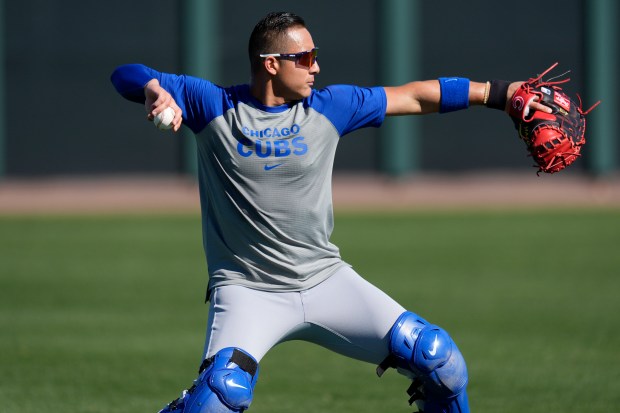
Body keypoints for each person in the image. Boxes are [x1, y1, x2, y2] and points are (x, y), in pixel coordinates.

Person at [111, 11, 550, 413]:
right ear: (271, 64)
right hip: (248, 290)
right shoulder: (212, 105)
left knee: (438, 359)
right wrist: (154, 89)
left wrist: (499, 94)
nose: (316, 67)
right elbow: (125, 74)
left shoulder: (330, 107)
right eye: (305, 57)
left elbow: (415, 97)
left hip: (324, 280)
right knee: (219, 396)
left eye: (315, 56)